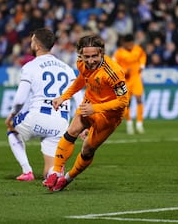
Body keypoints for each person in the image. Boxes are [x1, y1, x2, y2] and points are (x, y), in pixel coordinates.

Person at [43, 34, 129, 192]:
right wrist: (64, 97)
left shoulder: (114, 72)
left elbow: (123, 101)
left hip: (109, 115)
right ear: (80, 55)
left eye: (94, 56)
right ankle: (55, 171)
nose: (90, 61)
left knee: (88, 149)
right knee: (71, 131)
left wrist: (95, 109)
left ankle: (67, 178)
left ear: (101, 53)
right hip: (89, 103)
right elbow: (81, 79)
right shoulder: (81, 63)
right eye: (86, 56)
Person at [5, 28, 82, 181]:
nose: (30, 43)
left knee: (11, 128)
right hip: (60, 122)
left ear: (37, 46)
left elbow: (20, 99)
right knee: (49, 172)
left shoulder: (30, 67)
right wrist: (81, 125)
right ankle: (55, 173)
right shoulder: (67, 69)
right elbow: (79, 99)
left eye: (32, 41)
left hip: (38, 116)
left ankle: (27, 171)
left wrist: (12, 116)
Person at [113, 34, 147, 134]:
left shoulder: (138, 49)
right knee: (127, 103)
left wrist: (142, 65)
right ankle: (129, 124)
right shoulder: (119, 53)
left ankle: (139, 124)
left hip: (136, 78)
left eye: (132, 44)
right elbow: (114, 66)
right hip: (125, 80)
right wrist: (123, 70)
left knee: (139, 99)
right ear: (124, 43)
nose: (131, 46)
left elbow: (143, 56)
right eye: (128, 44)